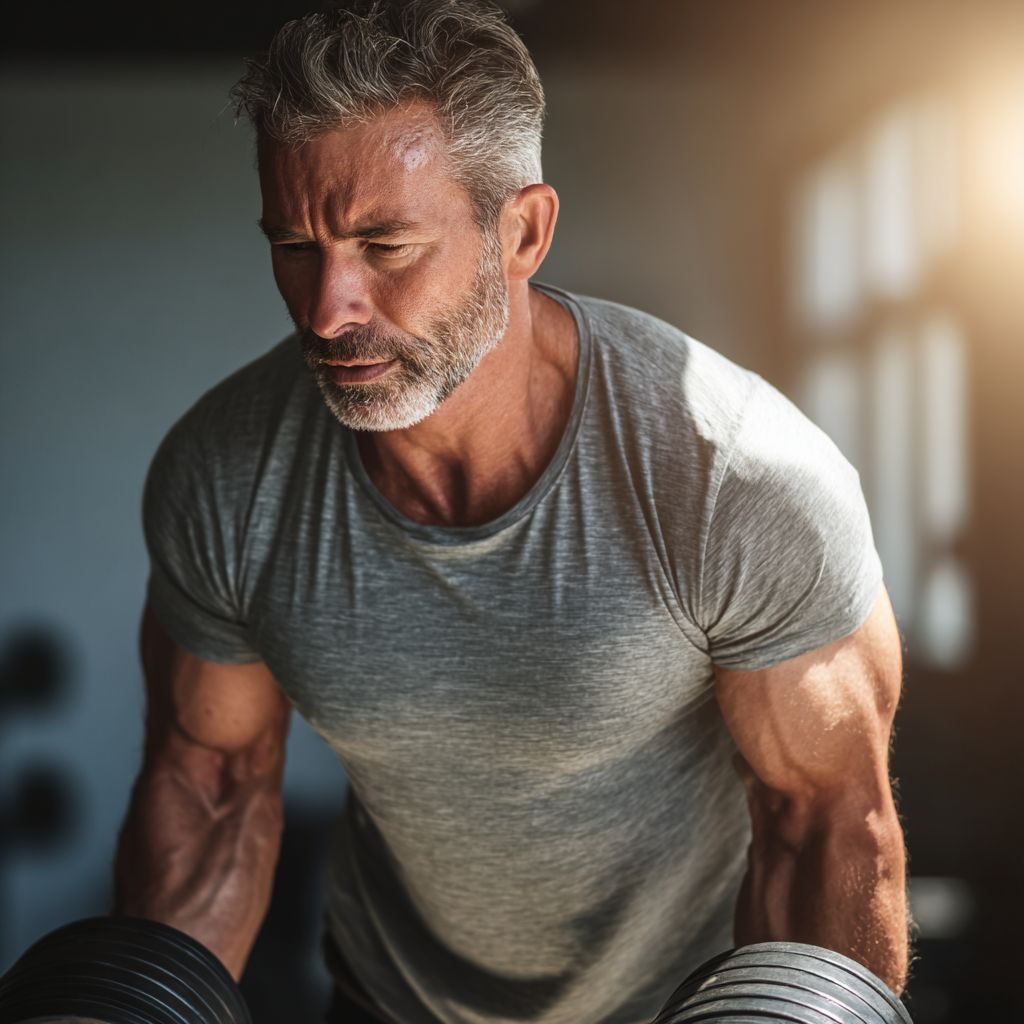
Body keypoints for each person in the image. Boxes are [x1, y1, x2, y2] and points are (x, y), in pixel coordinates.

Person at [113, 2, 908, 1022]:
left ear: (521, 231)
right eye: (295, 245)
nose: (326, 307)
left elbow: (824, 822)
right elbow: (211, 789)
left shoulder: (734, 476)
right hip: (385, 999)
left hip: (691, 1007)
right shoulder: (229, 475)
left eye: (384, 244)